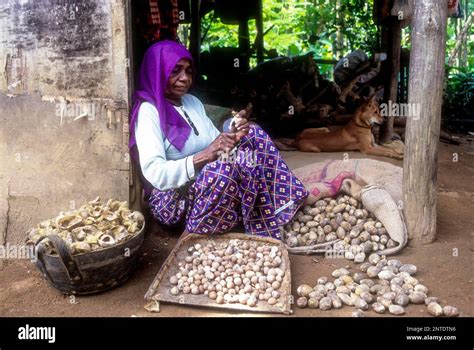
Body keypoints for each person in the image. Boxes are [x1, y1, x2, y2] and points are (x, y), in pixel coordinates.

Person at [129, 40, 308, 239]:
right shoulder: (149, 112)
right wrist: (203, 157)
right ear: (157, 72)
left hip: (205, 183)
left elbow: (216, 141)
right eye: (175, 71)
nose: (184, 78)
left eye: (188, 71)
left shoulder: (192, 102)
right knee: (222, 171)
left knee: (253, 135)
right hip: (172, 198)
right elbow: (156, 173)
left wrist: (234, 131)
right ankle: (196, 232)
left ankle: (277, 210)